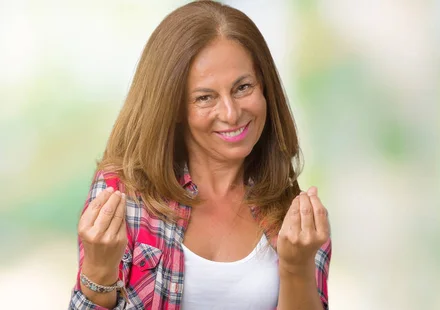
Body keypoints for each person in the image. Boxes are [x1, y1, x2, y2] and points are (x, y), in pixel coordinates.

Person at [68, 1, 332, 309]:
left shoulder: (297, 218)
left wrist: (296, 267)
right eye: (205, 97)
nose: (231, 113)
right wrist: (98, 270)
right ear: (174, 107)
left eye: (243, 87)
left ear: (265, 88)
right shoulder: (122, 195)